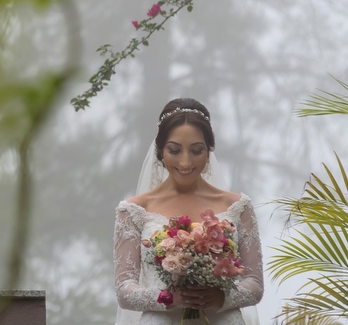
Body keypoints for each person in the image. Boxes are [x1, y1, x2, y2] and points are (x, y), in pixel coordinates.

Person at [113, 98, 263, 325]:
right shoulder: (134, 210)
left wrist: (221, 296)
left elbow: (255, 283)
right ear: (161, 151)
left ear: (208, 151)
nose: (185, 162)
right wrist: (168, 298)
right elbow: (124, 289)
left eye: (196, 150)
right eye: (174, 150)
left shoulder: (238, 207)